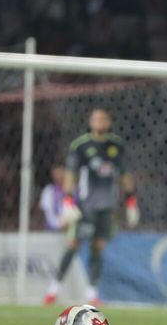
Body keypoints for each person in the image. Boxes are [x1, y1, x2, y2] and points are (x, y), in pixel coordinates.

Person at [43, 109, 138, 307]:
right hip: (85, 205)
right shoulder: (81, 145)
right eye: (95, 119)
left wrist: (131, 201)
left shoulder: (117, 146)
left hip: (107, 206)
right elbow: (71, 173)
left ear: (109, 122)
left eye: (103, 119)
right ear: (90, 122)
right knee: (73, 244)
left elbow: (124, 175)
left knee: (98, 246)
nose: (99, 122)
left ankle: (91, 292)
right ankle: (54, 289)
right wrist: (68, 200)